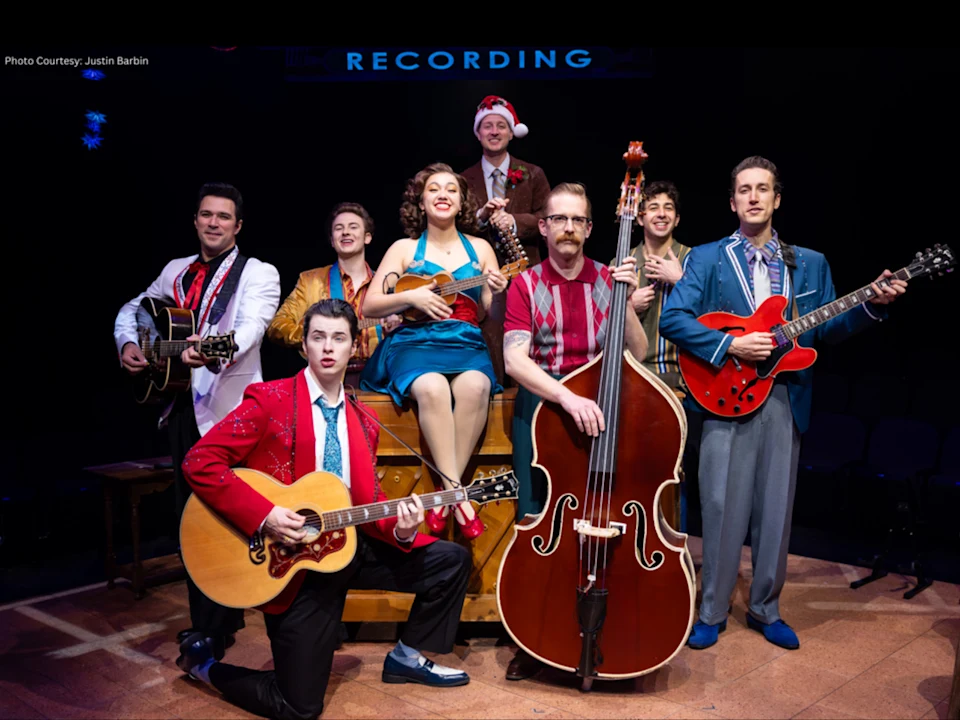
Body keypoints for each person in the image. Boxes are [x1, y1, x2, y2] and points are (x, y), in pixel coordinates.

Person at [176, 299, 472, 720]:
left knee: (450, 561)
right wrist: (266, 515)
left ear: (354, 347)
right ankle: (205, 666)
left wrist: (403, 530)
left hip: (344, 548)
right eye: (318, 338)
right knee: (298, 708)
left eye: (339, 338)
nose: (328, 348)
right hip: (291, 562)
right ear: (304, 346)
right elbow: (199, 461)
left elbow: (364, 506)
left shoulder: (365, 420)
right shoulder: (269, 400)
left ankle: (406, 657)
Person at [659, 156, 907, 651]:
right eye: (744, 190)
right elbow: (673, 318)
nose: (753, 197)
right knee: (721, 504)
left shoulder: (809, 262)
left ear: (777, 199)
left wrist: (869, 306)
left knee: (775, 510)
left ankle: (765, 609)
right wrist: (730, 346)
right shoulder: (705, 259)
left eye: (763, 189)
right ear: (732, 202)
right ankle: (710, 610)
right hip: (723, 393)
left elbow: (829, 327)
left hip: (783, 397)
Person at [114, 181, 281, 658]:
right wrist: (129, 343)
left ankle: (226, 613)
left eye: (224, 217)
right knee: (189, 514)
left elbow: (250, 329)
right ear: (195, 220)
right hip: (182, 405)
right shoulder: (175, 271)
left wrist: (209, 352)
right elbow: (133, 309)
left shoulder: (257, 273)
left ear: (238, 226)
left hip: (230, 410)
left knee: (226, 511)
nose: (214, 223)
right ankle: (208, 620)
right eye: (206, 215)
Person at [500, 181, 649, 681]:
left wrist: (625, 299)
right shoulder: (525, 284)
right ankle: (532, 637)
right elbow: (514, 359)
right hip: (545, 416)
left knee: (601, 520)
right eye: (558, 219)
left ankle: (605, 624)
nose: (568, 228)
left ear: (588, 228)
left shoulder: (610, 278)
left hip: (602, 414)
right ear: (543, 227)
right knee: (536, 523)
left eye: (577, 220)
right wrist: (566, 396)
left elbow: (641, 353)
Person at [360, 163, 508, 541]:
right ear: (421, 202)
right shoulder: (404, 249)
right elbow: (370, 306)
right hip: (414, 341)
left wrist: (500, 288)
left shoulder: (481, 248)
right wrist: (411, 296)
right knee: (432, 389)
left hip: (466, 341)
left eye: (451, 190)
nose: (443, 194)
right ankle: (460, 498)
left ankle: (444, 498)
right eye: (433, 189)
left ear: (461, 203)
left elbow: (491, 312)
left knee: (476, 386)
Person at [617, 180, 694, 531]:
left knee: (675, 473)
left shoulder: (694, 259)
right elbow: (605, 331)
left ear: (677, 218)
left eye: (668, 208)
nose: (661, 214)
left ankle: (673, 540)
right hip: (635, 378)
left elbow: (717, 321)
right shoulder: (623, 260)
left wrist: (682, 282)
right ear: (640, 216)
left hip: (684, 381)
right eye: (653, 207)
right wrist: (628, 307)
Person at [461, 96, 551, 386]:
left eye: (501, 125)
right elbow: (455, 227)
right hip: (481, 279)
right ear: (478, 133)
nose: (495, 131)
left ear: (512, 132)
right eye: (488, 126)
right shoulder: (463, 179)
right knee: (490, 346)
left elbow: (549, 219)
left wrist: (513, 221)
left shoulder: (533, 174)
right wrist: (482, 216)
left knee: (529, 350)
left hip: (528, 275)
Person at [267, 202, 402, 387]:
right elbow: (277, 326)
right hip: (327, 379)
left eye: (353, 227)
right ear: (332, 240)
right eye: (339, 228)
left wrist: (393, 333)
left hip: (381, 378)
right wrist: (320, 334)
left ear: (367, 237)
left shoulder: (388, 284)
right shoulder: (310, 281)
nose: (345, 232)